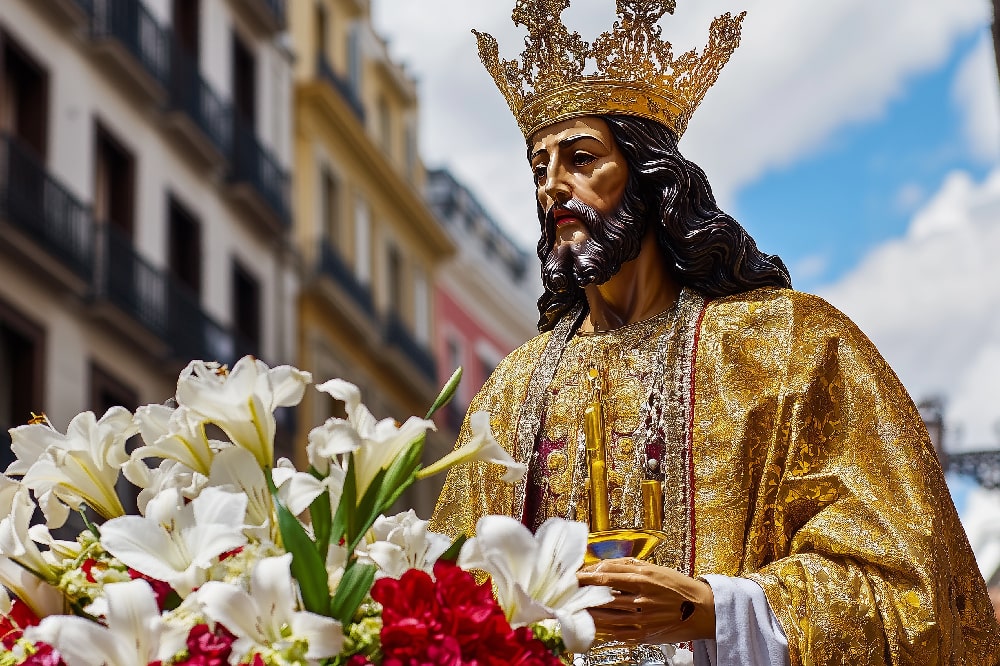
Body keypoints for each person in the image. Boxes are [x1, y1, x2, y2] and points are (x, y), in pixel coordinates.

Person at [429, 1, 1000, 663]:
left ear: (649, 178)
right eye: (539, 169)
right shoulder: (509, 393)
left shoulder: (789, 346)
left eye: (582, 158)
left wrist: (711, 609)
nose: (554, 185)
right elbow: (445, 603)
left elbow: (913, 593)